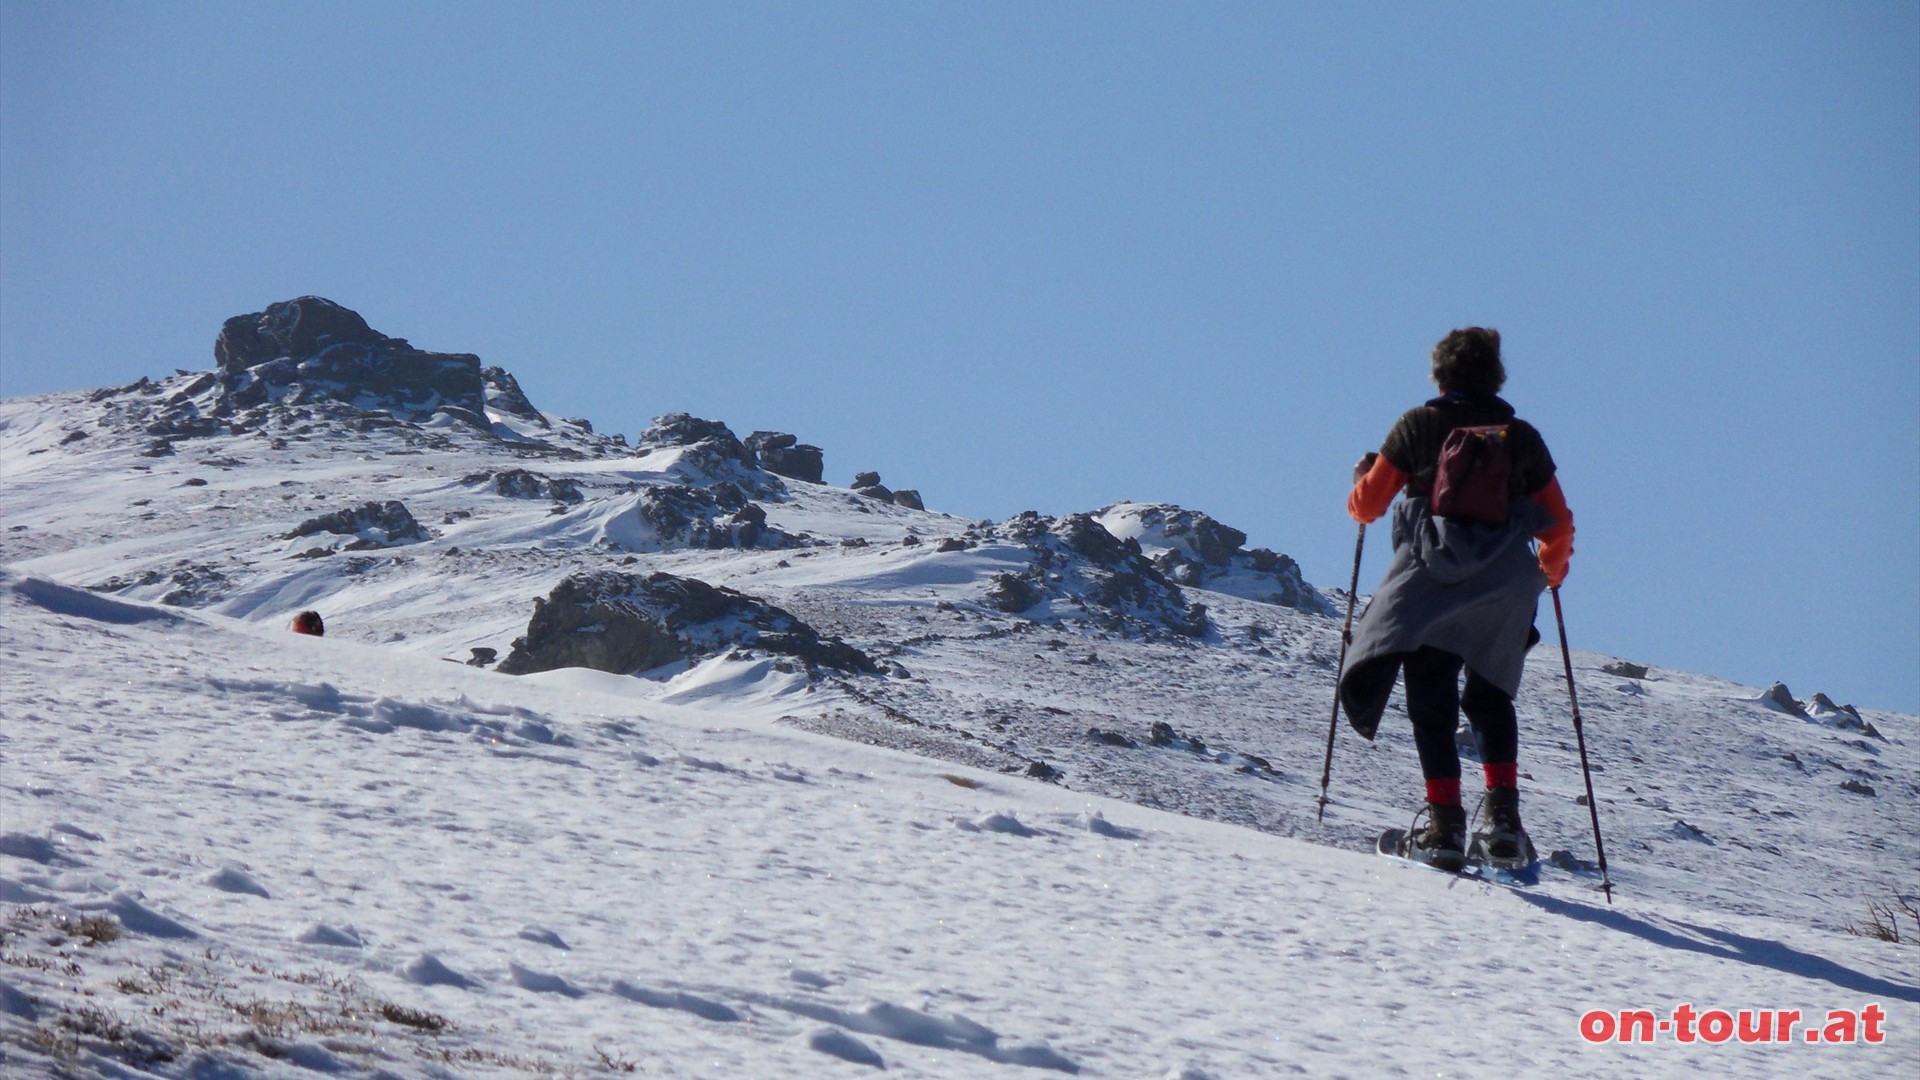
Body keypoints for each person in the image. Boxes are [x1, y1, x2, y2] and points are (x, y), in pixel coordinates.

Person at [1339, 327, 1573, 869]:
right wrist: (1549, 576)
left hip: (1430, 579)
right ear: (1497, 376)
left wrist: (1360, 481)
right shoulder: (1522, 438)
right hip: (1504, 583)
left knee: (1431, 695)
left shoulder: (1420, 426)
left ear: (1440, 376)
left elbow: (1369, 506)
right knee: (1491, 696)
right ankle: (1503, 825)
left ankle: (1444, 826)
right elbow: (1557, 522)